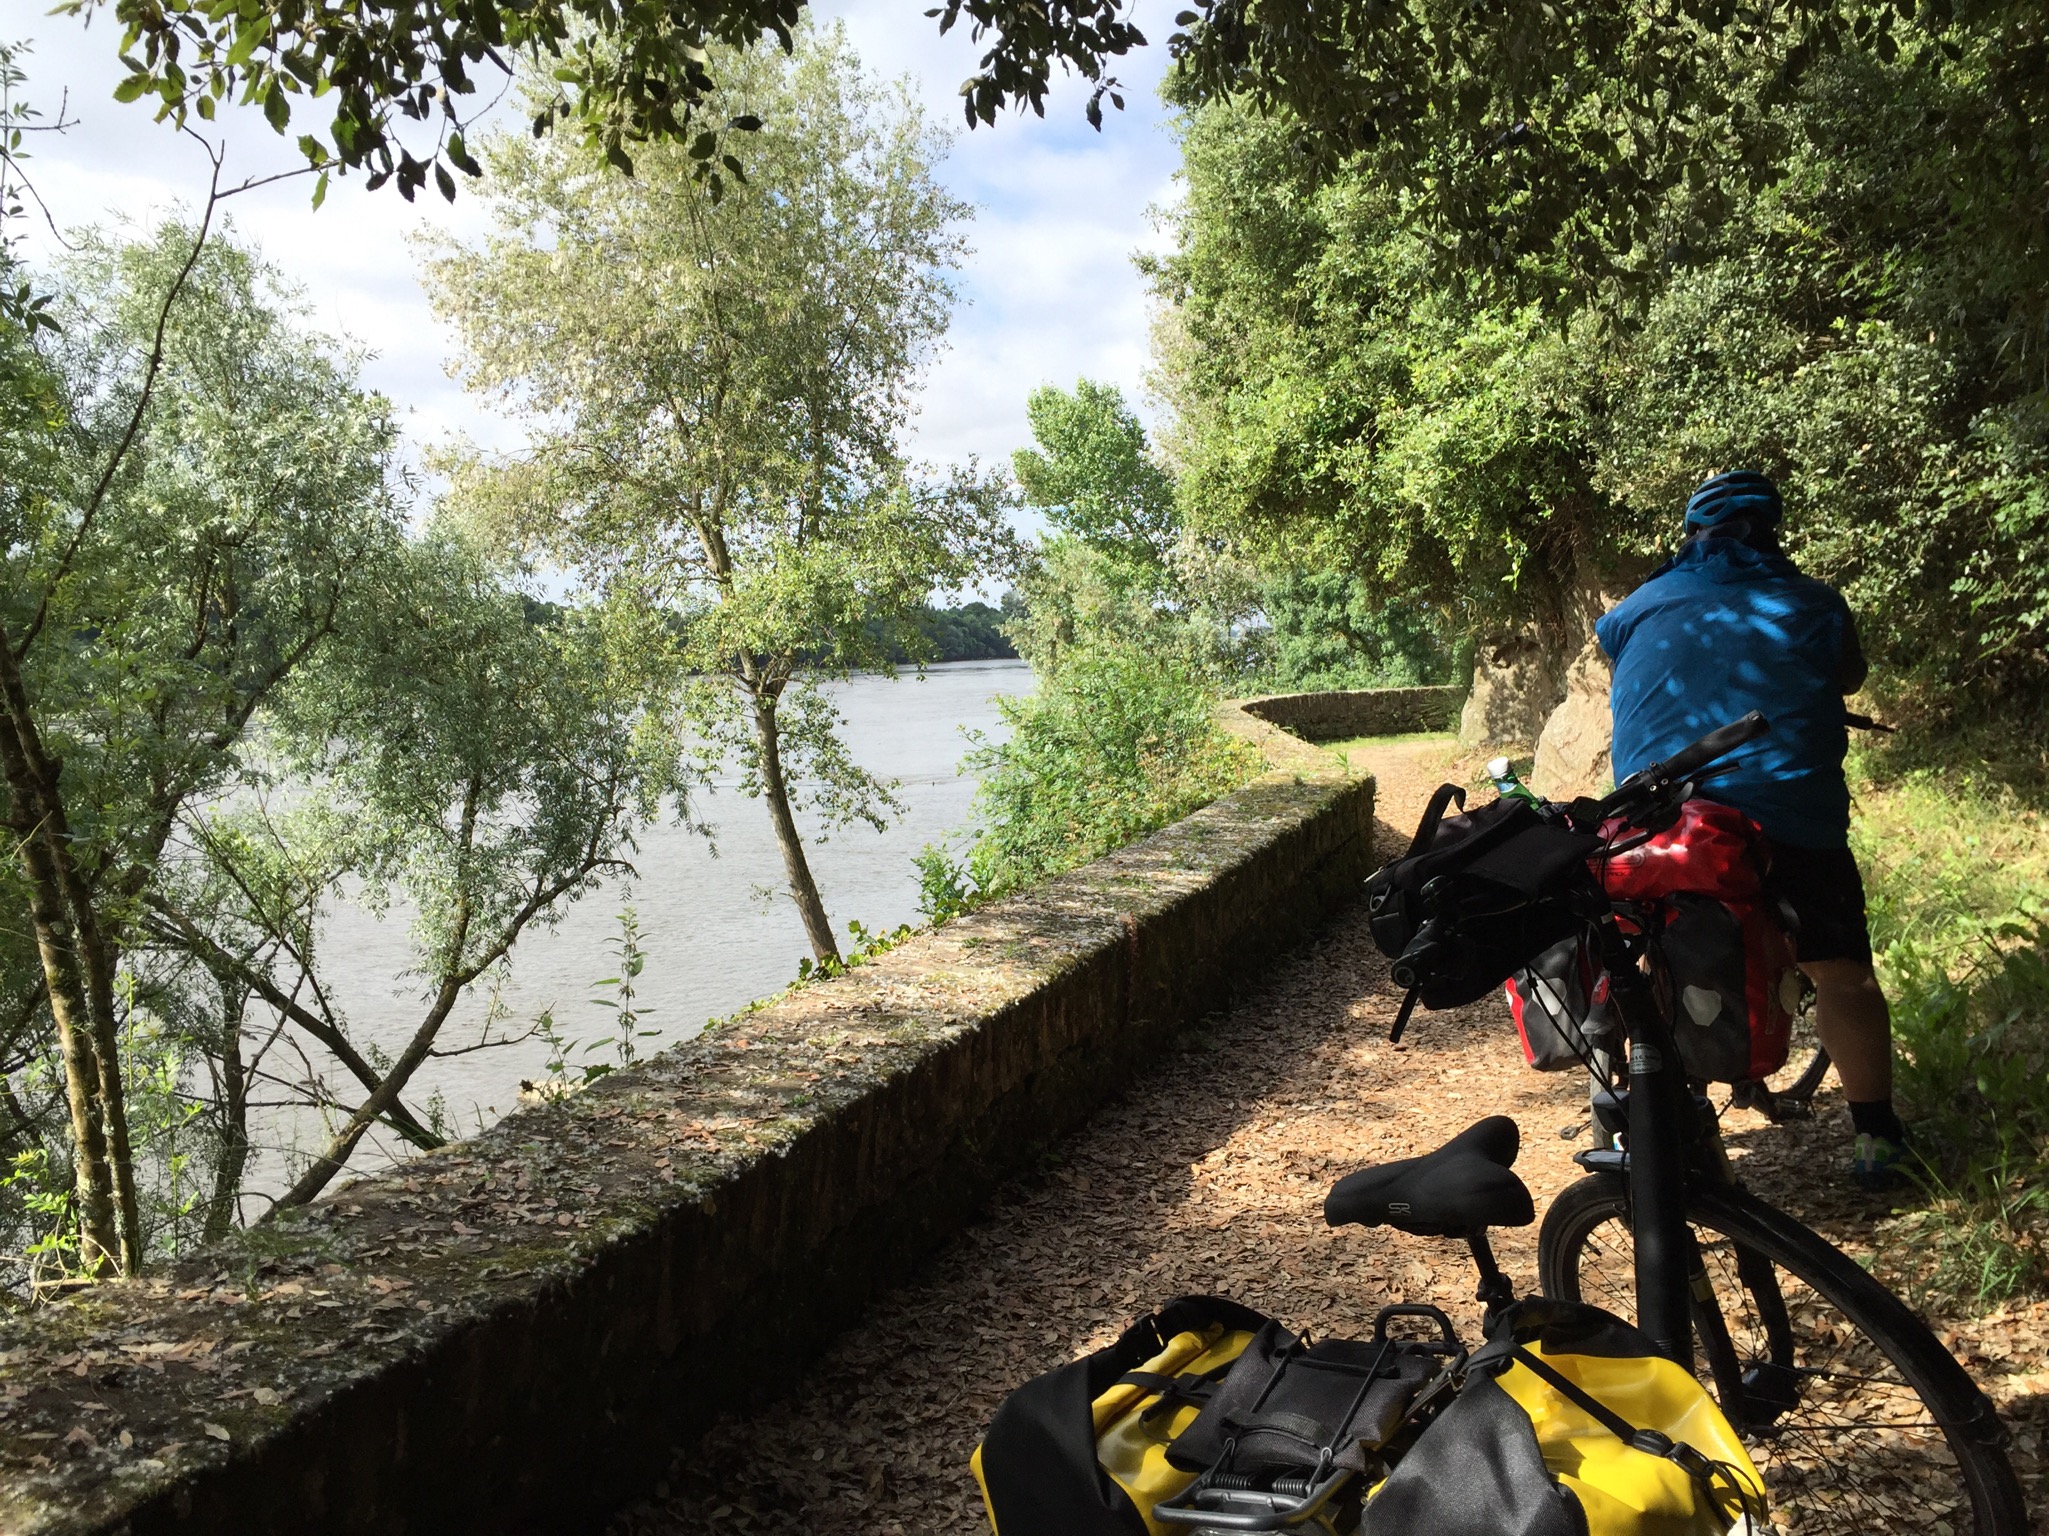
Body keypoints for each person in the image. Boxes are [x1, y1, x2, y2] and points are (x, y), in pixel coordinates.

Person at [1595, 470, 1907, 1189]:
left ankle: (1639, 1115)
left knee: (1647, 956)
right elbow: (1847, 676)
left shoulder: (1635, 607)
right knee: (1842, 973)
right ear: (1772, 531)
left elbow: (1621, 648)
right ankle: (1876, 1137)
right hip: (1788, 817)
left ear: (1690, 534)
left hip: (1656, 819)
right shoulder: (1813, 602)